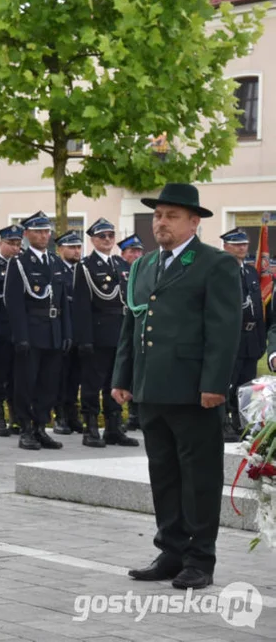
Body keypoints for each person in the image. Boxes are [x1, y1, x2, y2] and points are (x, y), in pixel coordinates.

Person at [112, 183, 240, 591]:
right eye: (157, 215)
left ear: (193, 222)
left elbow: (223, 331)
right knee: (163, 473)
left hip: (193, 390)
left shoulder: (214, 264)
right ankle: (171, 550)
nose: (160, 222)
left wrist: (215, 384)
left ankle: (200, 558)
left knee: (199, 476)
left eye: (170, 216)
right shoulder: (143, 265)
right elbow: (132, 323)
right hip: (151, 387)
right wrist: (123, 377)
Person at [5, 211, 72, 451]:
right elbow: (14, 303)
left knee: (49, 383)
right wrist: (20, 336)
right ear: (26, 234)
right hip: (31, 332)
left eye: (46, 231)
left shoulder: (55, 262)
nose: (44, 235)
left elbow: (63, 302)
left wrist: (66, 333)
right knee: (26, 382)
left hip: (53, 330)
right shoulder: (20, 264)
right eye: (38, 231)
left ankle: (41, 426)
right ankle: (25, 428)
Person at [72, 218, 137, 448]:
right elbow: (81, 306)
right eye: (102, 236)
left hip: (119, 333)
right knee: (92, 383)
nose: (107, 239)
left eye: (110, 235)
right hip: (97, 334)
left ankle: (113, 428)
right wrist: (84, 339)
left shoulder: (121, 265)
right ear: (93, 240)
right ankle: (90, 428)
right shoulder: (86, 267)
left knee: (116, 381)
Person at [220, 227, 263, 441]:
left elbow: (259, 307)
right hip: (231, 336)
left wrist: (260, 338)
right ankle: (224, 421)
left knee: (246, 384)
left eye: (244, 244)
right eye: (237, 244)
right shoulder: (221, 271)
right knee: (228, 381)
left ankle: (241, 421)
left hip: (250, 337)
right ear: (226, 246)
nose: (242, 248)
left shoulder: (250, 272)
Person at [0, 224, 23, 437]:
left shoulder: (22, 266)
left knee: (18, 375)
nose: (15, 248)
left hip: (18, 329)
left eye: (18, 244)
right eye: (11, 244)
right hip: (0, 328)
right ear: (1, 244)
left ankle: (16, 416)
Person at [53, 231, 84, 435]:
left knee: (76, 375)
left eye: (78, 247)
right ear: (60, 249)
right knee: (59, 375)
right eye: (71, 247)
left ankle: (73, 413)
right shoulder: (55, 269)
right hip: (62, 328)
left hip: (80, 330)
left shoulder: (83, 270)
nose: (76, 251)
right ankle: (60, 415)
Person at [117, 233, 146, 430]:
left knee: (139, 371)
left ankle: (137, 412)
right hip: (118, 325)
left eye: (138, 251)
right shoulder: (118, 270)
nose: (136, 255)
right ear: (123, 253)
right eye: (132, 251)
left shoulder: (144, 270)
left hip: (140, 327)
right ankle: (128, 414)